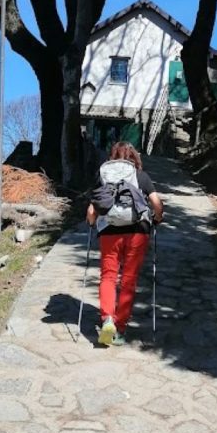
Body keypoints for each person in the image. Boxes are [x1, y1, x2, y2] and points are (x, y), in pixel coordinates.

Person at [86, 142, 164, 346]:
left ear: (112, 157)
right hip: (138, 231)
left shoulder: (103, 175)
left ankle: (107, 319)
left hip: (109, 231)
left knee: (108, 276)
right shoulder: (140, 176)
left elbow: (91, 211)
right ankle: (119, 329)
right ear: (134, 157)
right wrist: (158, 218)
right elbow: (156, 203)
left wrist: (92, 224)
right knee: (129, 279)